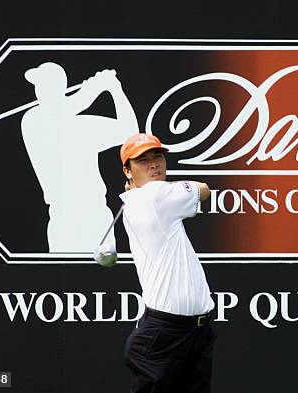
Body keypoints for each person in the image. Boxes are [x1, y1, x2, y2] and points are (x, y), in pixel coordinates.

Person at [118, 133, 215, 393]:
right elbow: (204, 189)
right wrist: (162, 186)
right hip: (164, 336)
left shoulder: (140, 198)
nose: (154, 164)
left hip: (195, 332)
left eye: (157, 156)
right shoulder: (155, 195)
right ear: (127, 171)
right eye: (143, 161)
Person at [21, 62, 138, 252]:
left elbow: (131, 133)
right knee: (63, 281)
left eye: (43, 85)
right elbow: (74, 104)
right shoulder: (32, 120)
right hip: (63, 219)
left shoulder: (82, 127)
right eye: (38, 86)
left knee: (103, 280)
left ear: (57, 88)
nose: (38, 91)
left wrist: (114, 89)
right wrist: (100, 87)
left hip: (95, 216)